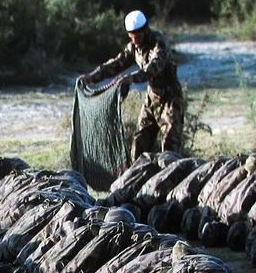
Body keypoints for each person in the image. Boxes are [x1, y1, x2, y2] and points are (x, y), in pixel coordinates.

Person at [79, 10, 184, 163]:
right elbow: (117, 63)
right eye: (131, 37)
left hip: (170, 100)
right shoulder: (134, 47)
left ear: (145, 31)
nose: (135, 40)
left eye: (138, 36)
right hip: (152, 99)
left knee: (170, 150)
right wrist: (92, 77)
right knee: (139, 144)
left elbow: (153, 68)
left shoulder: (158, 43)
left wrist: (131, 78)